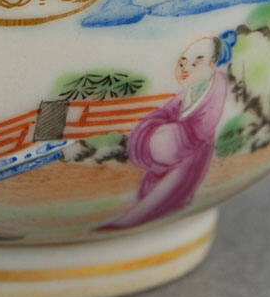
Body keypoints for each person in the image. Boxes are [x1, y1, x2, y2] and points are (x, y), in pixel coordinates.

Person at [99, 35, 231, 231]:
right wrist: (154, 128)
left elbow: (205, 125)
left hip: (193, 153)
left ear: (212, 63)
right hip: (173, 150)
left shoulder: (217, 84)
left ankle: (132, 220)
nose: (186, 68)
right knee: (155, 188)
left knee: (171, 190)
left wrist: (176, 137)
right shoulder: (187, 91)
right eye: (182, 63)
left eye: (197, 62)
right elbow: (166, 111)